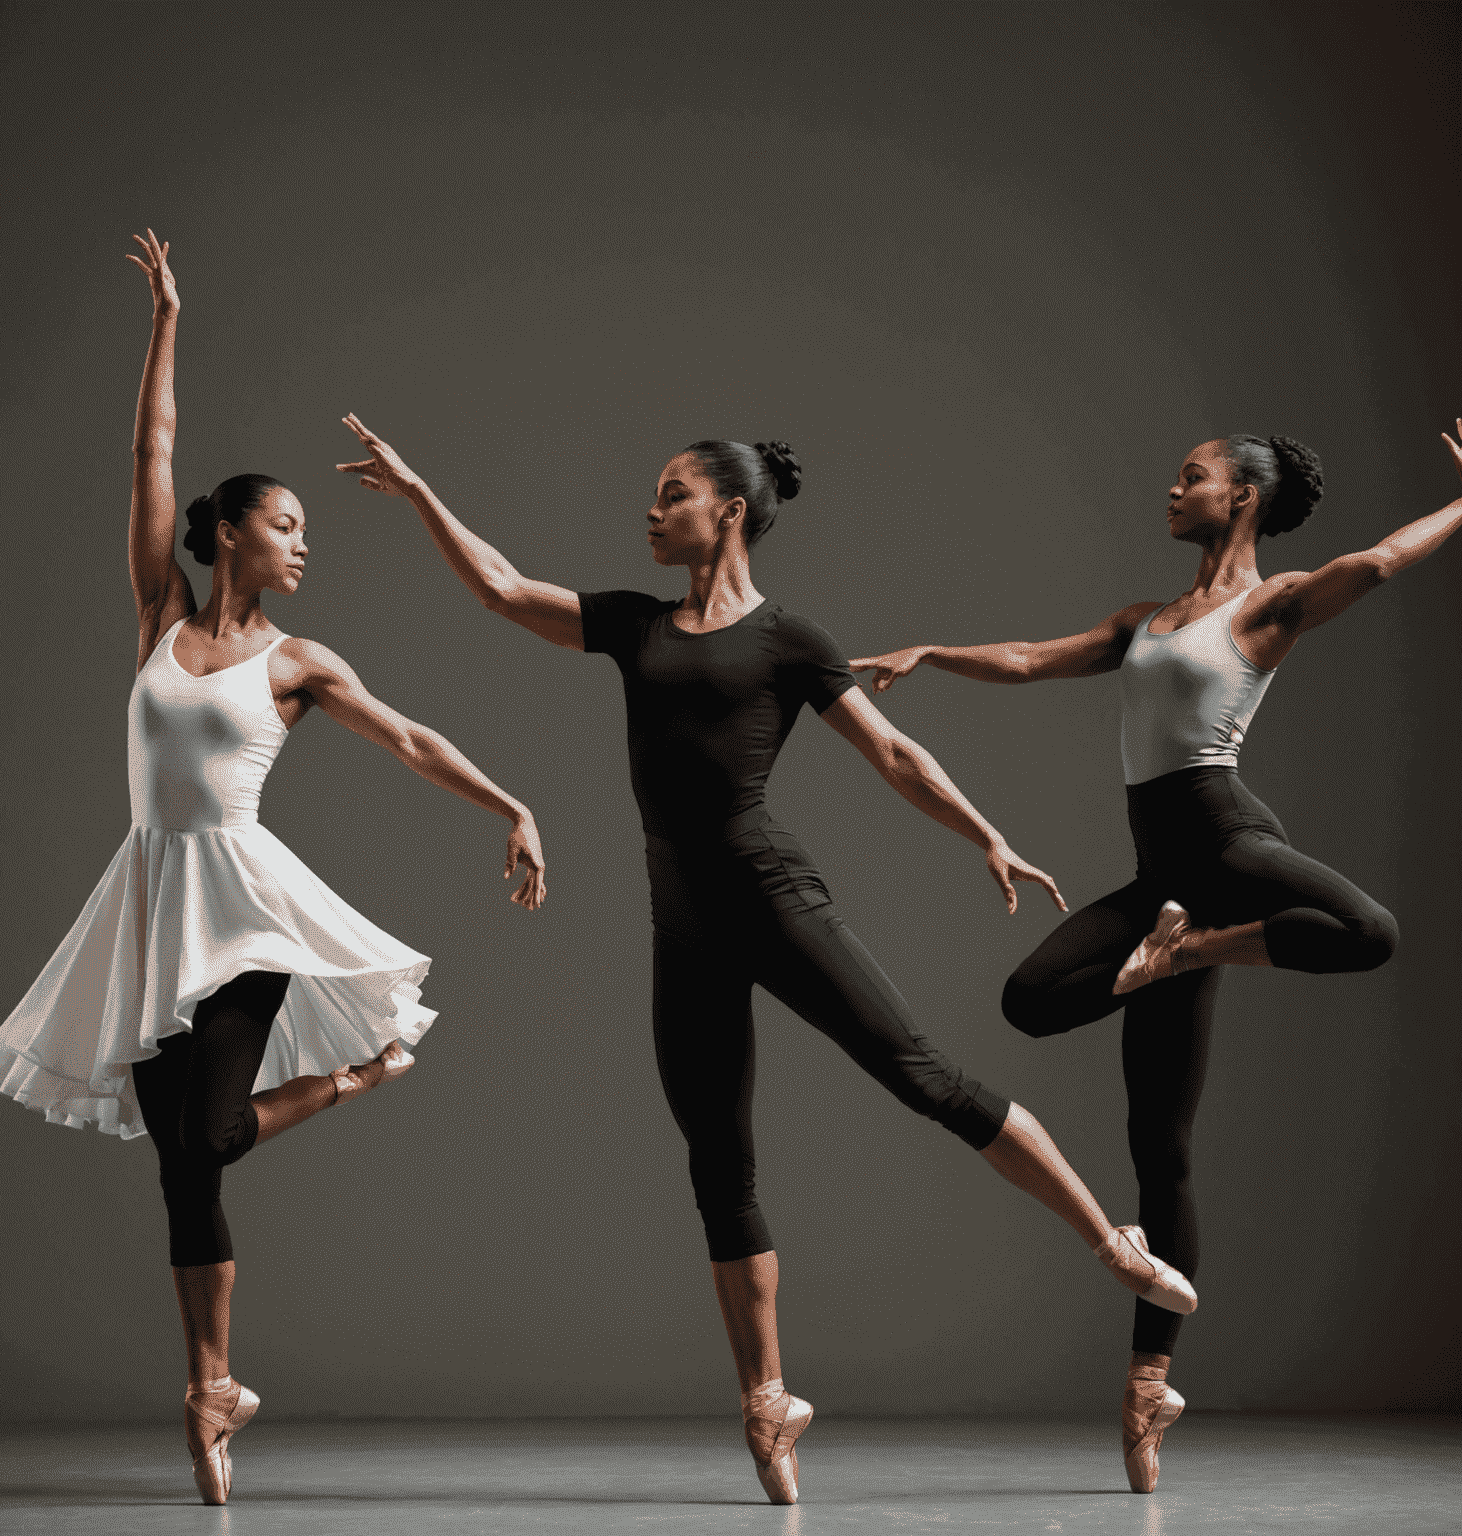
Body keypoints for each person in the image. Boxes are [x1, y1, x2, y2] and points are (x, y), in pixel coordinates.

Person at [336, 419, 1198, 1504]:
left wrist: (983, 832)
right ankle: (767, 1405)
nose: (651, 512)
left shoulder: (788, 639)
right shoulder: (636, 626)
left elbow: (891, 750)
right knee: (718, 1165)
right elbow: (507, 589)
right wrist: (420, 491)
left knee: (926, 1079)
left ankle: (1110, 1242)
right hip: (681, 922)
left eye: (672, 494)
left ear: (729, 512)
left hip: (770, 896)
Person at [0, 233, 548, 1506]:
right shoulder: (156, 615)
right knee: (186, 1154)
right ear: (226, 532)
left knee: (211, 1136)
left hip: (243, 911)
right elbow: (150, 456)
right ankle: (212, 1386)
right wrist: (166, 322)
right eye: (284, 524)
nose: (301, 544)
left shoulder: (298, 662)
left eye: (306, 532)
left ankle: (351, 1083)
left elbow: (406, 738)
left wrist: (506, 800)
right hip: (147, 903)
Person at [851, 426, 1462, 1492]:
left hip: (1227, 839)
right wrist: (932, 653)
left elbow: (1375, 564)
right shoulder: (1145, 619)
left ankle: (1143, 1381)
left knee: (1369, 932)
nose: (1171, 488)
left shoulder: (1270, 606)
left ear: (1246, 498)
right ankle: (1152, 1383)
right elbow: (1037, 659)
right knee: (1059, 1031)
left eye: (1193, 476)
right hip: (1160, 883)